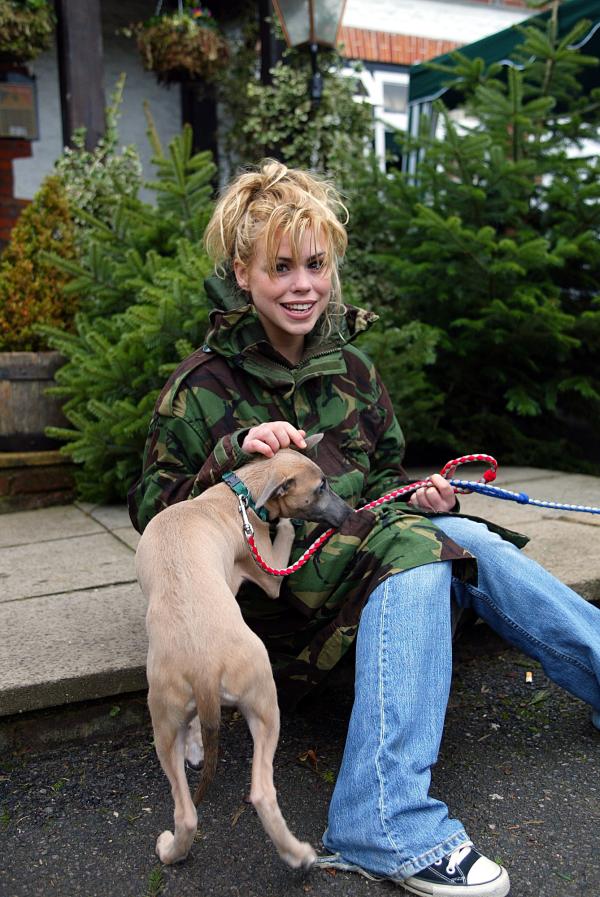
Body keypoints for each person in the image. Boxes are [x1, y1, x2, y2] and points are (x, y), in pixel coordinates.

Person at [128, 160, 600, 897]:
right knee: (417, 551)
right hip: (269, 616)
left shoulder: (354, 370)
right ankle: (383, 819)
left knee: (461, 535)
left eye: (315, 263)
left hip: (353, 577)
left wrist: (422, 494)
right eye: (279, 267)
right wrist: (234, 457)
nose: (302, 284)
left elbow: (380, 480)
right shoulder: (201, 388)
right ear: (242, 274)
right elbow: (156, 520)